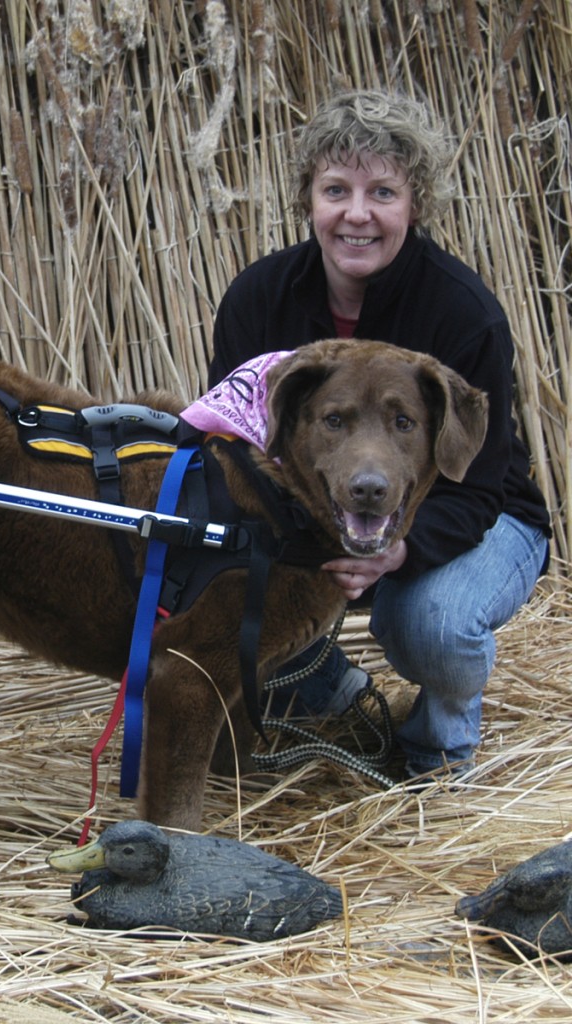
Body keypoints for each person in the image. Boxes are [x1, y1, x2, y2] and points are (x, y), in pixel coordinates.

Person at [206, 89, 551, 780]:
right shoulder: (258, 298)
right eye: (336, 189)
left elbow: (477, 488)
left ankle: (435, 753)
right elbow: (232, 452)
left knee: (431, 622)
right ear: (309, 199)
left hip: (475, 518)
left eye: (383, 192)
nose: (356, 214)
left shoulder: (463, 315)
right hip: (321, 517)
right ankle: (329, 691)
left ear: (415, 204)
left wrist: (398, 552)